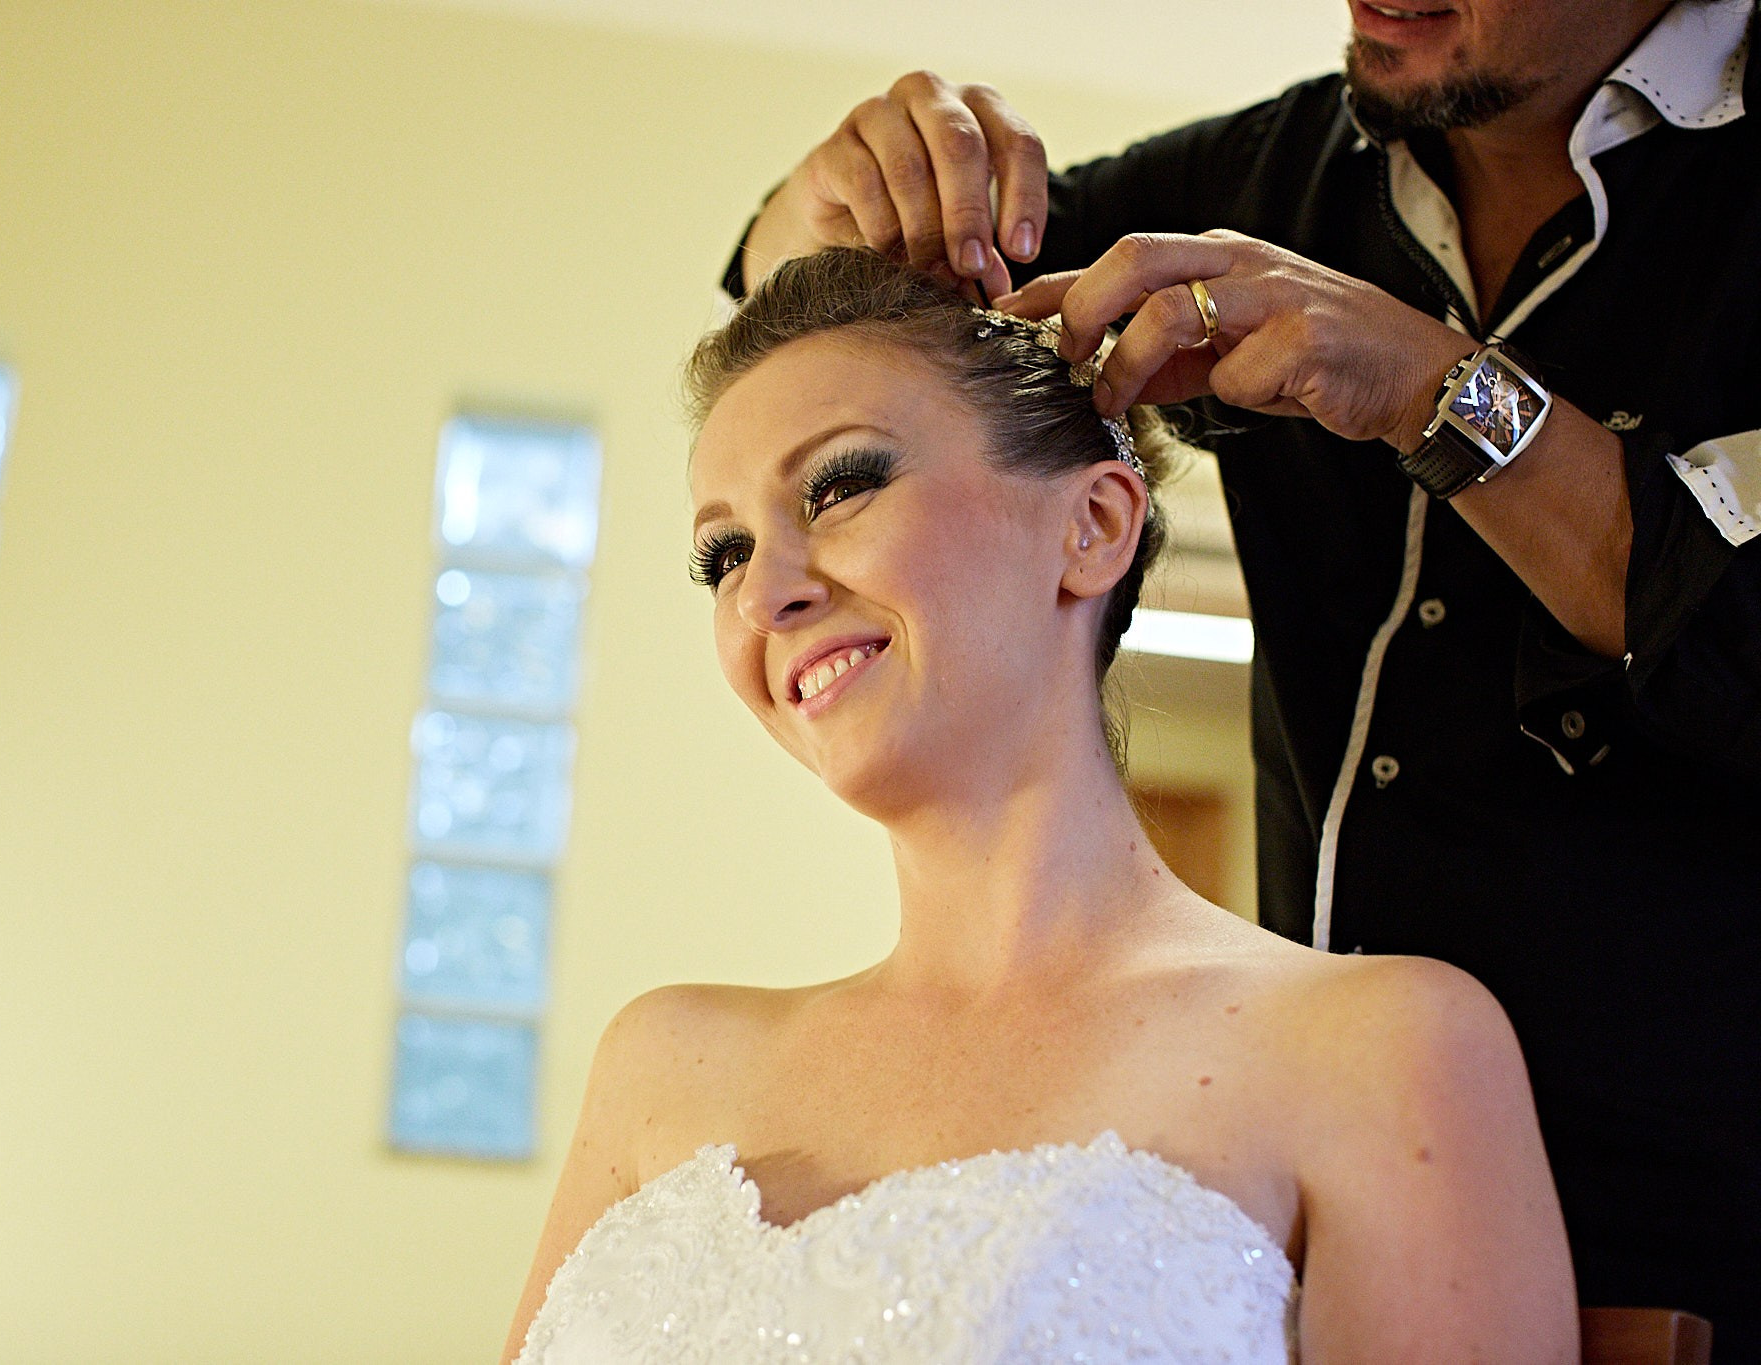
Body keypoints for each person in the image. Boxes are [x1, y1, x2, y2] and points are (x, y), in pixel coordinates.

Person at [726, 0, 1761, 1349]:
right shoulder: (1274, 182)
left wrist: (1438, 391)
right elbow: (842, 317)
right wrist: (819, 206)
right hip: (1290, 1248)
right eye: (720, 554)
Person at [501, 246, 1576, 1363]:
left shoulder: (1380, 1046)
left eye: (840, 486)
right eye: (722, 553)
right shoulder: (658, 1065)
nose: (765, 592)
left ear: (1092, 528)